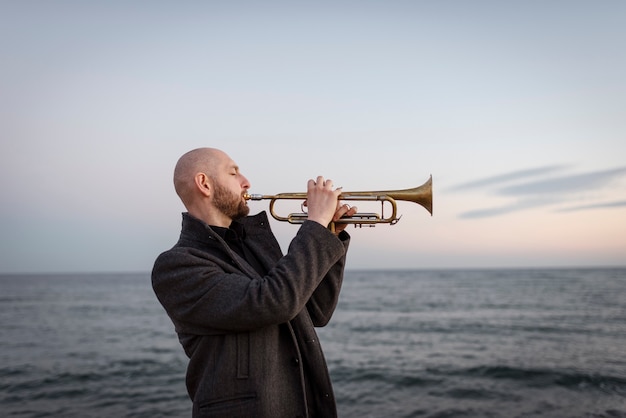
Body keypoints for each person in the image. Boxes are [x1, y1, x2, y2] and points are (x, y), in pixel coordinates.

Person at [151, 147, 357, 418]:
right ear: (204, 184)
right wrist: (316, 224)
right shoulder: (177, 266)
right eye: (234, 172)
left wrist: (330, 233)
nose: (246, 182)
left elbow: (316, 311)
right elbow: (273, 301)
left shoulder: (255, 246)